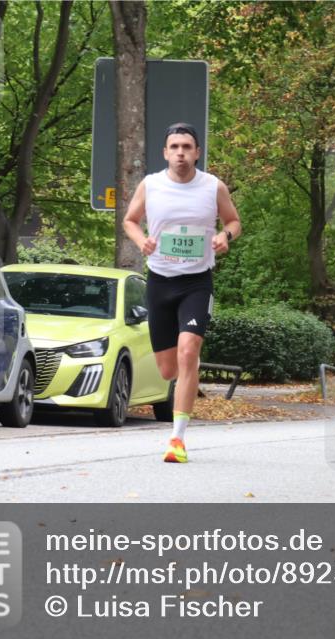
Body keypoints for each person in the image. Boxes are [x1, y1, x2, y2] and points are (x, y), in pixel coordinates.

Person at [122, 122, 242, 463]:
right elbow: (130, 220)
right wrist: (139, 239)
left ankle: (177, 439)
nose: (180, 153)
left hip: (196, 281)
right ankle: (188, 365)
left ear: (197, 152)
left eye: (187, 147)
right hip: (160, 280)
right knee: (168, 370)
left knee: (188, 351)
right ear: (165, 153)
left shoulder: (212, 187)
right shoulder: (151, 185)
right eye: (174, 147)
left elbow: (234, 221)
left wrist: (224, 237)